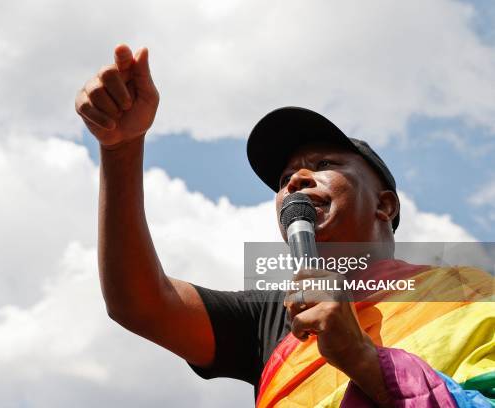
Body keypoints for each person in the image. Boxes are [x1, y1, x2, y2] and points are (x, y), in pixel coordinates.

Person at [75, 44, 494, 407]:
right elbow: (141, 304)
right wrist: (121, 148)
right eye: (284, 180)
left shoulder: (467, 292)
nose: (295, 180)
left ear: (384, 205)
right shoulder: (274, 318)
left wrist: (363, 358)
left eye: (325, 165)